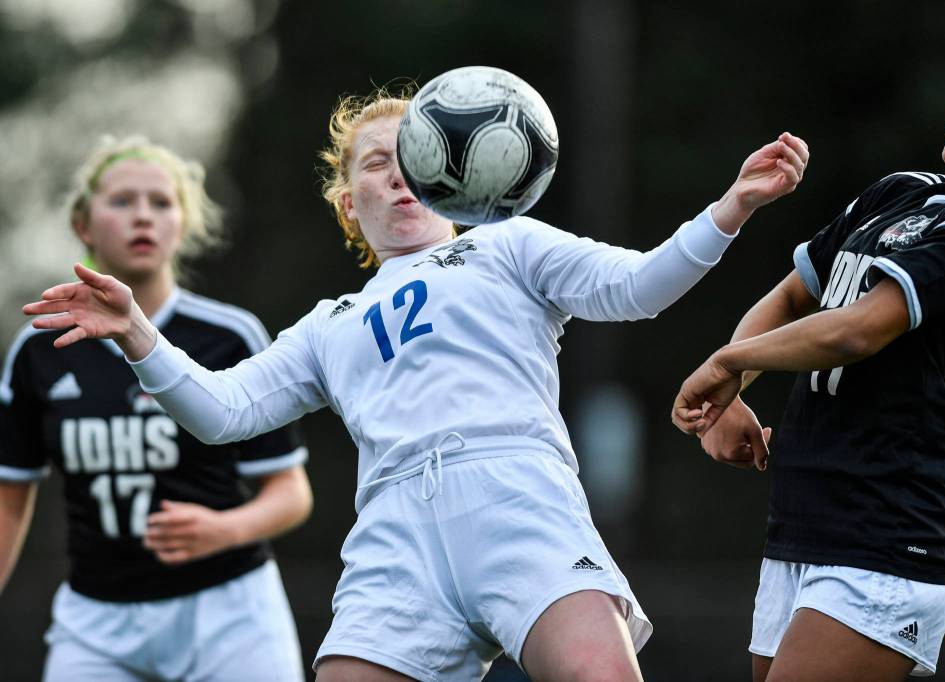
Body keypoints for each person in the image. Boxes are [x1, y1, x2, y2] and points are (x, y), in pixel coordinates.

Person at [24, 91, 808, 681]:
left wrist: (729, 208)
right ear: (346, 201)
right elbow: (222, 412)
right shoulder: (328, 322)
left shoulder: (507, 245)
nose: (399, 175)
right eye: (375, 162)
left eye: (417, 156)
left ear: (453, 172)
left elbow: (637, 287)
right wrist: (137, 334)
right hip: (394, 535)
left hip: (515, 498)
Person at [672, 52, 945, 681]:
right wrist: (733, 393)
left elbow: (859, 331)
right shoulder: (900, 192)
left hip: (886, 533)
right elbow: (790, 297)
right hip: (803, 521)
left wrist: (728, 362)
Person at [2, 136, 312, 682]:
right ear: (83, 225)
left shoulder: (228, 335)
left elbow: (291, 493)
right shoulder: (37, 348)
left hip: (229, 614)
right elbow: (9, 500)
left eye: (161, 203)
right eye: (122, 201)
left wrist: (226, 529)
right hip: (95, 621)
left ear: (182, 224)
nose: (142, 215)